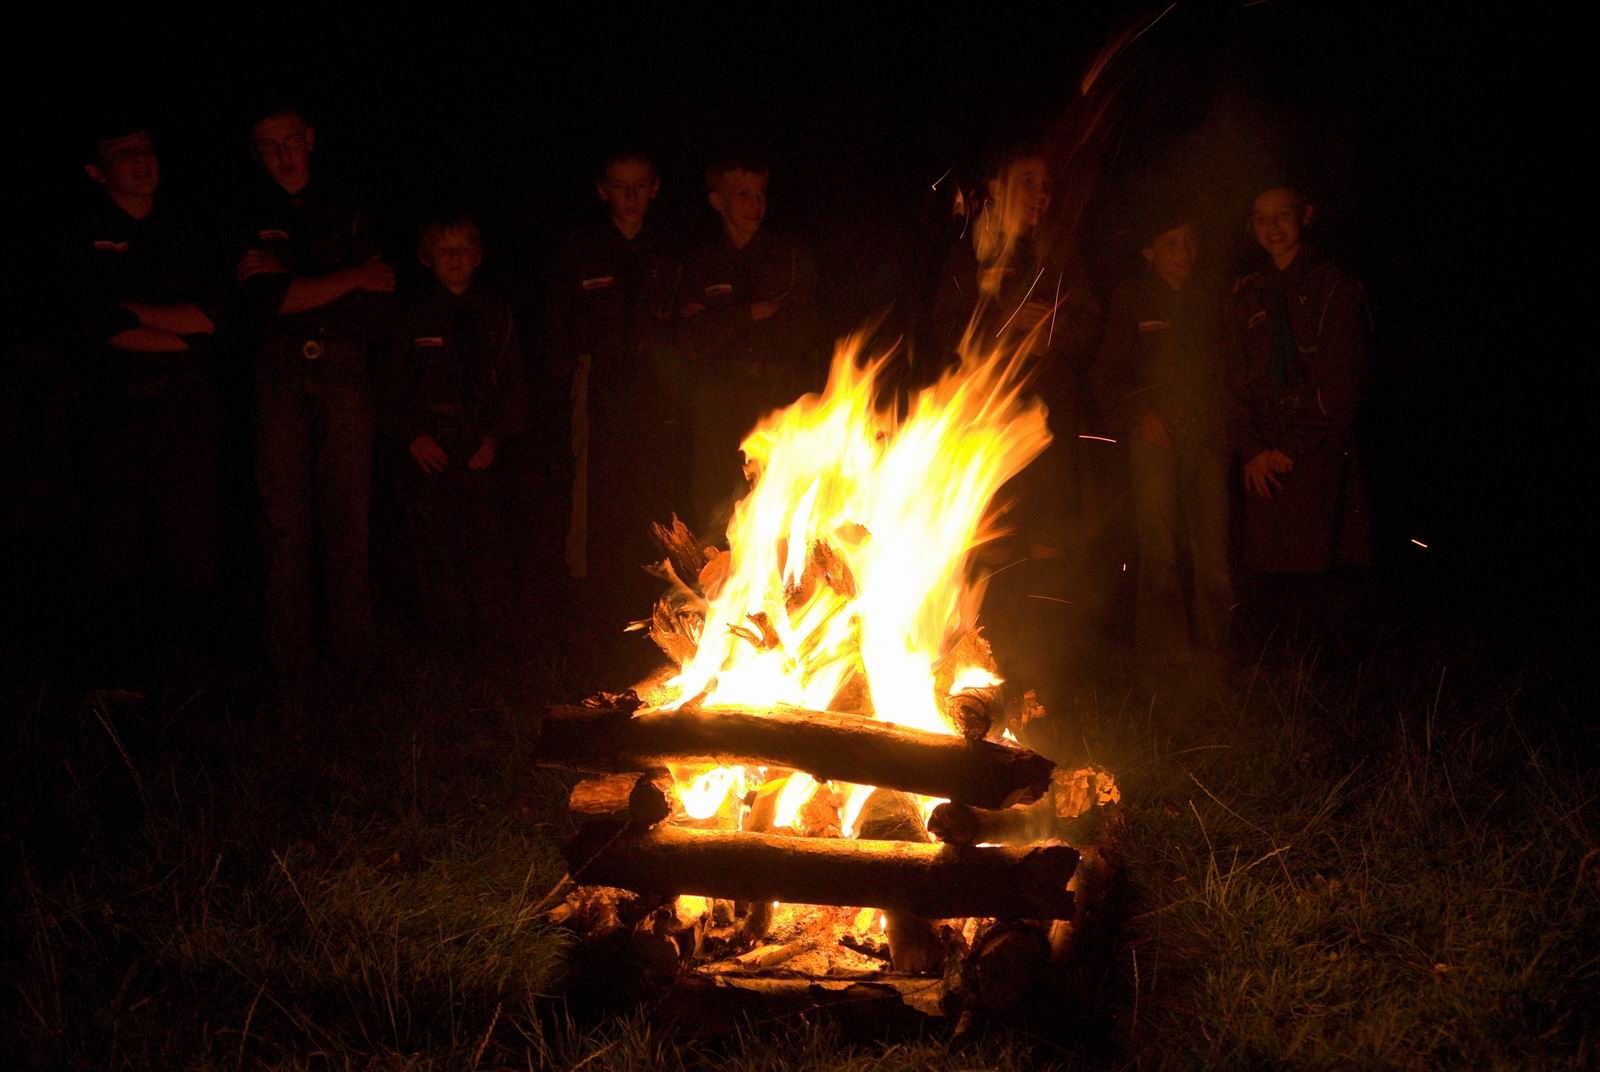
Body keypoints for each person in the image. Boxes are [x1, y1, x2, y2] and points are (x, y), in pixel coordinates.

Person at [233, 102, 394, 685]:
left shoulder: (349, 206)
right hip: (277, 372)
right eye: (269, 145)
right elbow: (264, 303)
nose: (283, 154)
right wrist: (345, 279)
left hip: (345, 370)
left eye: (290, 141)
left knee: (349, 517)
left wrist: (295, 283)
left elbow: (380, 291)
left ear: (309, 139)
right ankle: (289, 666)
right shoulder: (245, 213)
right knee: (283, 522)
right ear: (256, 153)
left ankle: (356, 661)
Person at [58, 119, 227, 651]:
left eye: (146, 147)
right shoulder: (80, 235)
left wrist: (138, 315)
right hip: (113, 411)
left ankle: (192, 663)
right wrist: (182, 336)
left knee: (193, 540)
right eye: (123, 152)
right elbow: (98, 326)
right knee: (116, 544)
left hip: (186, 407)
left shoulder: (187, 229)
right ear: (96, 170)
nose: (140, 160)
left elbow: (216, 315)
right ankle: (122, 667)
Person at [547, 149, 684, 653]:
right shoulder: (580, 249)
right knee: (595, 502)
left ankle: (653, 618)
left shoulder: (667, 251)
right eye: (619, 186)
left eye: (639, 185)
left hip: (655, 391)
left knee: (654, 499)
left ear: (654, 188)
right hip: (599, 387)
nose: (629, 196)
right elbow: (558, 327)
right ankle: (593, 621)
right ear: (602, 190)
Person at [1228, 183, 1370, 646]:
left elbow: (1342, 386)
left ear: (1305, 216)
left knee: (1319, 576)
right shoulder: (1247, 294)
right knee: (1268, 579)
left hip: (1316, 455)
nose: (1272, 228)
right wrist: (1253, 451)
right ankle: (1276, 674)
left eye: (1282, 216)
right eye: (1261, 219)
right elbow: (1233, 380)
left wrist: (1288, 449)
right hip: (1262, 462)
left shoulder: (1336, 287)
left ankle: (1325, 674)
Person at [1094, 208, 1231, 676]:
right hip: (1154, 436)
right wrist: (1140, 415)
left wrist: (1223, 423)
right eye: (1171, 243)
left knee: (1212, 546)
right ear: (1149, 251)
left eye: (1190, 241)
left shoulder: (1212, 295)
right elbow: (1108, 373)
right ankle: (1163, 656)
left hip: (1206, 435)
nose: (1183, 253)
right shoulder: (1132, 297)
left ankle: (1216, 651)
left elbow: (1229, 366)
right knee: (1158, 548)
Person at [383, 211, 527, 650]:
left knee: (484, 544)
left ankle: (489, 642)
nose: (454, 259)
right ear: (426, 257)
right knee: (431, 546)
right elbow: (388, 382)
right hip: (428, 446)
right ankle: (443, 643)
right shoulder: (409, 312)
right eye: (444, 251)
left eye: (462, 250)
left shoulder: (495, 310)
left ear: (477, 255)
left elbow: (513, 383)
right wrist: (412, 436)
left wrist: (494, 438)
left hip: (478, 442)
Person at [680, 154, 820, 534]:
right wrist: (752, 313)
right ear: (717, 200)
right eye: (742, 194)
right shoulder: (701, 262)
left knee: (781, 504)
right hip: (720, 399)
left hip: (778, 395)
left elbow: (802, 330)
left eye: (760, 194)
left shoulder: (789, 256)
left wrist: (725, 322)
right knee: (715, 508)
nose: (755, 204)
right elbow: (694, 339)